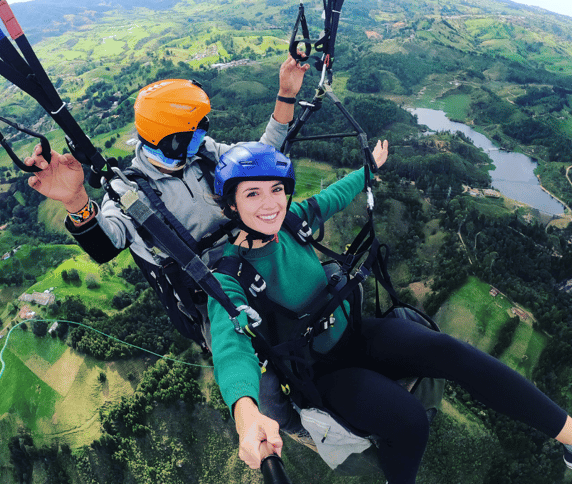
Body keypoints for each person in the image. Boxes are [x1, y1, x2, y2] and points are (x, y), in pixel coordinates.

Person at [208, 141, 572, 483]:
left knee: (448, 350)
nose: (270, 203)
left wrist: (369, 167)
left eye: (276, 189)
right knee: (409, 421)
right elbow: (230, 345)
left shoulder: (291, 222)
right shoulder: (229, 276)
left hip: (354, 333)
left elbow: (333, 196)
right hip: (320, 374)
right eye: (252, 193)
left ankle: (569, 434)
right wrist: (246, 412)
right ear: (231, 206)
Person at [23, 53, 310, 349]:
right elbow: (106, 246)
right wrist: (75, 201)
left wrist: (286, 96)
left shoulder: (206, 154)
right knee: (263, 369)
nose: (203, 134)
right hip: (213, 298)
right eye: (195, 130)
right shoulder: (129, 193)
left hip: (254, 260)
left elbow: (262, 159)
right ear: (173, 141)